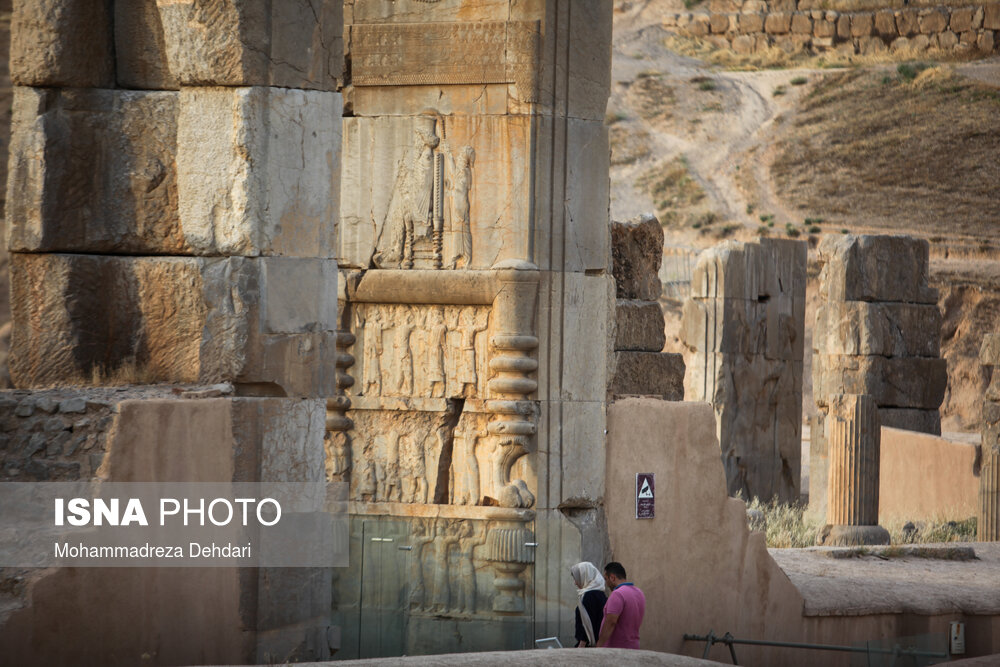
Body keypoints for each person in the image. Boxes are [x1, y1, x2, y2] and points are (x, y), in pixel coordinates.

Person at [596, 561, 646, 649]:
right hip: (633, 646)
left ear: (612, 578)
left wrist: (599, 645)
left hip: (616, 649)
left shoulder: (617, 594)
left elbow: (611, 622)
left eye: (606, 579)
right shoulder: (639, 593)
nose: (606, 584)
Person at [570, 562, 607, 647]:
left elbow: (588, 624)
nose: (575, 583)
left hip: (589, 646)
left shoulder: (589, 596)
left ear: (585, 576)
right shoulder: (600, 593)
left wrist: (582, 645)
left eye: (577, 578)